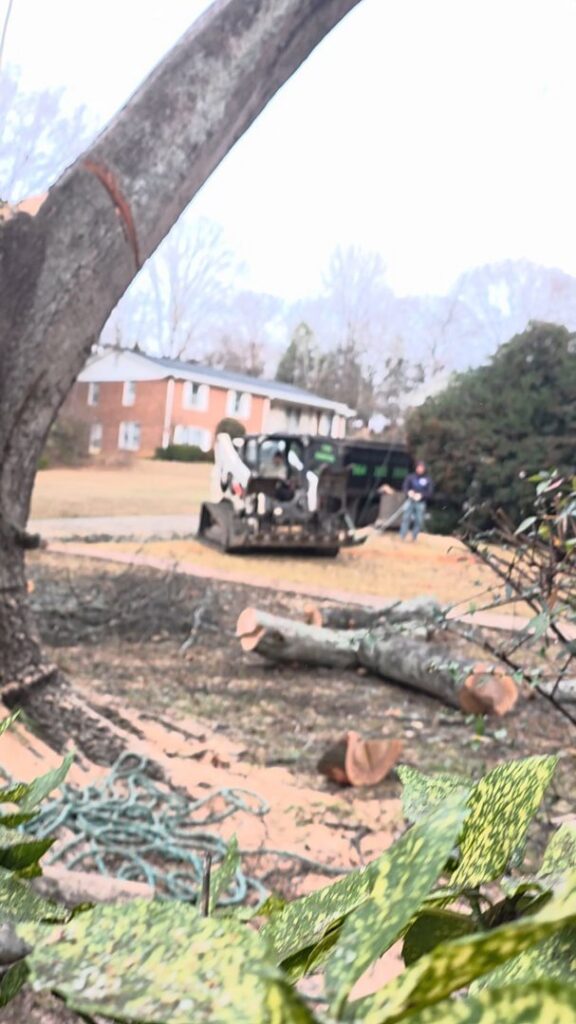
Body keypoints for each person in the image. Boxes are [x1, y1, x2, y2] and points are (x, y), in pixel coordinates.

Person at [399, 461, 433, 541]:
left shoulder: (428, 479)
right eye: (419, 467)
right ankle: (402, 536)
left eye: (422, 468)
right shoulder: (410, 477)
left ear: (424, 469)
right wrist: (409, 492)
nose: (420, 469)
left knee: (419, 520)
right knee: (406, 518)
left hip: (421, 502)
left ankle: (414, 537)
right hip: (410, 501)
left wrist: (421, 495)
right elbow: (405, 487)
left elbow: (430, 492)